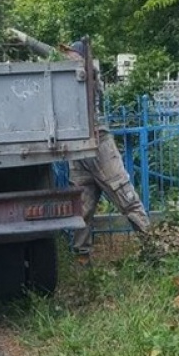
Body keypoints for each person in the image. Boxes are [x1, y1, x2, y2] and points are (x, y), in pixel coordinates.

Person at [62, 40, 150, 262]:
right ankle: (82, 259)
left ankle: (153, 245)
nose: (67, 59)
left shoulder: (89, 75)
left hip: (99, 145)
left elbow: (89, 69)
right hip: (78, 150)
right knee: (82, 208)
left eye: (73, 55)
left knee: (125, 197)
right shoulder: (65, 81)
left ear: (83, 58)